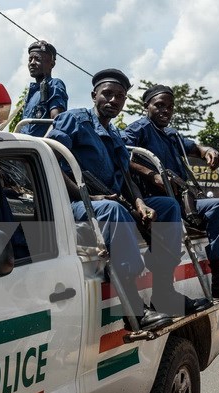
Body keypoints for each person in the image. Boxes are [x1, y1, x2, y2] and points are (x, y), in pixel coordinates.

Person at [48, 69, 209, 330]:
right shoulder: (74, 120)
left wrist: (140, 203)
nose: (113, 100)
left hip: (110, 201)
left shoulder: (114, 134)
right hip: (74, 203)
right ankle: (134, 309)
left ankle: (164, 293)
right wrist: (89, 196)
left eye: (120, 96)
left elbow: (126, 177)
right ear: (94, 95)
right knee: (113, 210)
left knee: (168, 206)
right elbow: (51, 160)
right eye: (107, 94)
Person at [123, 84, 219, 297]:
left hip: (184, 197)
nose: (165, 110)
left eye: (170, 106)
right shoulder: (138, 129)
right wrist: (153, 175)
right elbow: (122, 155)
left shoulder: (172, 134)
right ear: (146, 106)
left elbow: (196, 148)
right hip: (160, 198)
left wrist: (208, 151)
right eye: (159, 105)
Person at [19, 40, 68, 137]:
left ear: (52, 64)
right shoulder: (31, 94)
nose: (32, 63)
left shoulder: (54, 84)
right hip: (24, 143)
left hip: (39, 145)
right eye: (30, 60)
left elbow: (57, 121)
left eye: (37, 59)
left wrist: (43, 142)